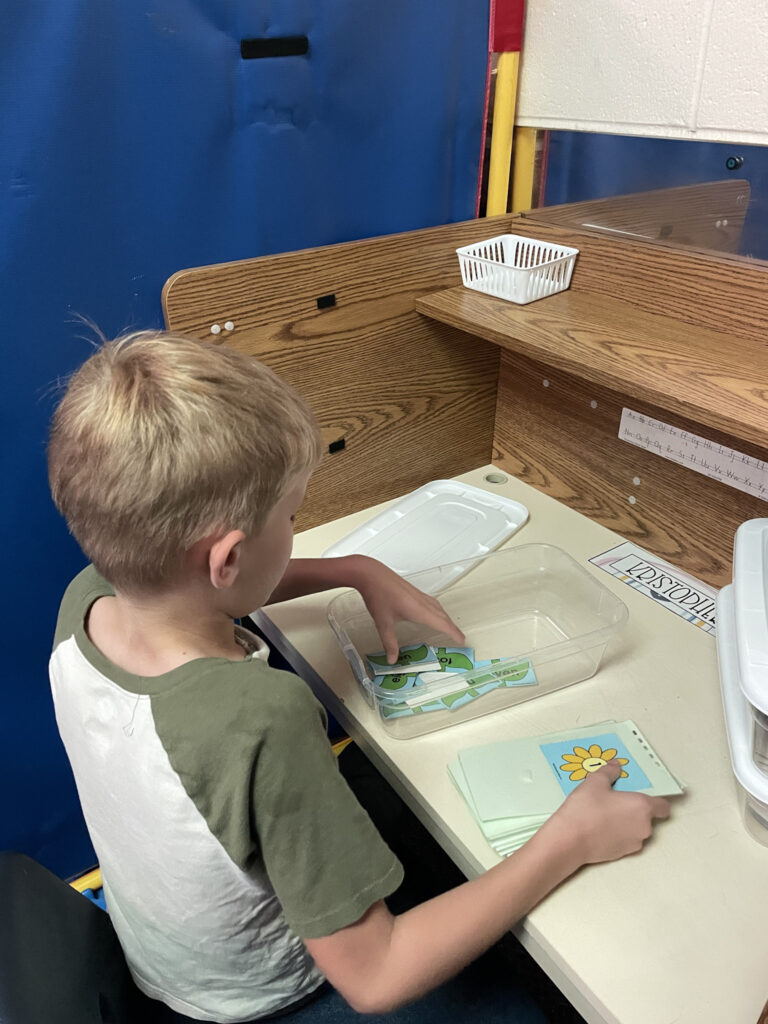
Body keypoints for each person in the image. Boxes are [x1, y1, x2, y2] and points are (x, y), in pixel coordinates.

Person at [47, 330, 670, 1024]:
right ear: (226, 558)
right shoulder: (258, 716)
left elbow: (193, 584)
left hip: (169, 961)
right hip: (272, 997)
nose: (295, 527)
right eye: (291, 516)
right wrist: (568, 840)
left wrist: (353, 569)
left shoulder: (87, 602)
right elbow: (376, 978)